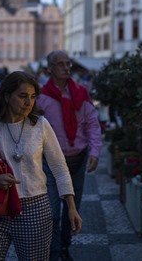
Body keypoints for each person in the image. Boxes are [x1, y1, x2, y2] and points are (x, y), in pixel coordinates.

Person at [0, 71, 82, 260]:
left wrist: (71, 206)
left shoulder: (40, 125)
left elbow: (59, 167)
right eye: (22, 96)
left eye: (33, 97)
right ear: (6, 96)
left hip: (34, 208)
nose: (29, 103)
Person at [37, 50, 102, 261]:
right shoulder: (41, 97)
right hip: (51, 163)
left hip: (78, 160)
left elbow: (92, 123)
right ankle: (54, 253)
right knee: (53, 212)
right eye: (61, 64)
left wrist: (95, 151)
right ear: (50, 69)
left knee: (72, 210)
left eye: (68, 64)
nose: (66, 67)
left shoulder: (81, 92)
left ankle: (64, 246)